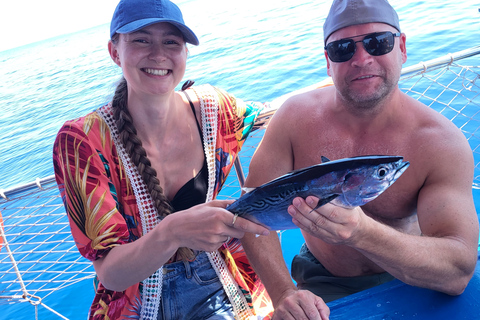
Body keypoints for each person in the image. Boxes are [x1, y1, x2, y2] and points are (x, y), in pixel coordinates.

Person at [241, 0, 479, 318]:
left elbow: (458, 271)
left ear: (402, 47)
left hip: (413, 272)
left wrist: (361, 233)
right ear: (328, 61)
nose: (362, 59)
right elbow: (249, 214)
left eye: (378, 42)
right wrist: (284, 292)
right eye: (343, 49)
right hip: (322, 278)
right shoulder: (293, 119)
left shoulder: (440, 142)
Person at [52, 0, 275, 319]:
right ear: (115, 52)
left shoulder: (213, 111)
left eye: (171, 41)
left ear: (185, 52)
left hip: (220, 278)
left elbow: (273, 115)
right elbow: (110, 274)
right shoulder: (83, 141)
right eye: (141, 39)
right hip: (135, 299)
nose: (158, 54)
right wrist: (172, 233)